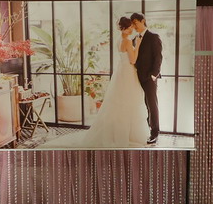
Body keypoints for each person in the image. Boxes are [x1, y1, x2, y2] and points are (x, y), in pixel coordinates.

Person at [41, 16, 148, 148]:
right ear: (124, 28)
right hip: (127, 72)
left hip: (121, 71)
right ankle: (126, 135)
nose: (132, 29)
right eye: (130, 27)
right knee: (129, 102)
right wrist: (138, 45)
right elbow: (133, 60)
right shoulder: (127, 40)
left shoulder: (119, 39)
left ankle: (119, 133)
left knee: (120, 102)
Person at [130, 12, 162, 144]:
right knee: (140, 104)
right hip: (136, 77)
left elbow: (158, 57)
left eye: (135, 23)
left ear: (143, 21)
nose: (134, 26)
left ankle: (154, 133)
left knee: (151, 104)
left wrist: (154, 75)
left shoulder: (153, 37)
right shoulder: (133, 39)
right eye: (132, 24)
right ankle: (143, 130)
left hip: (149, 78)